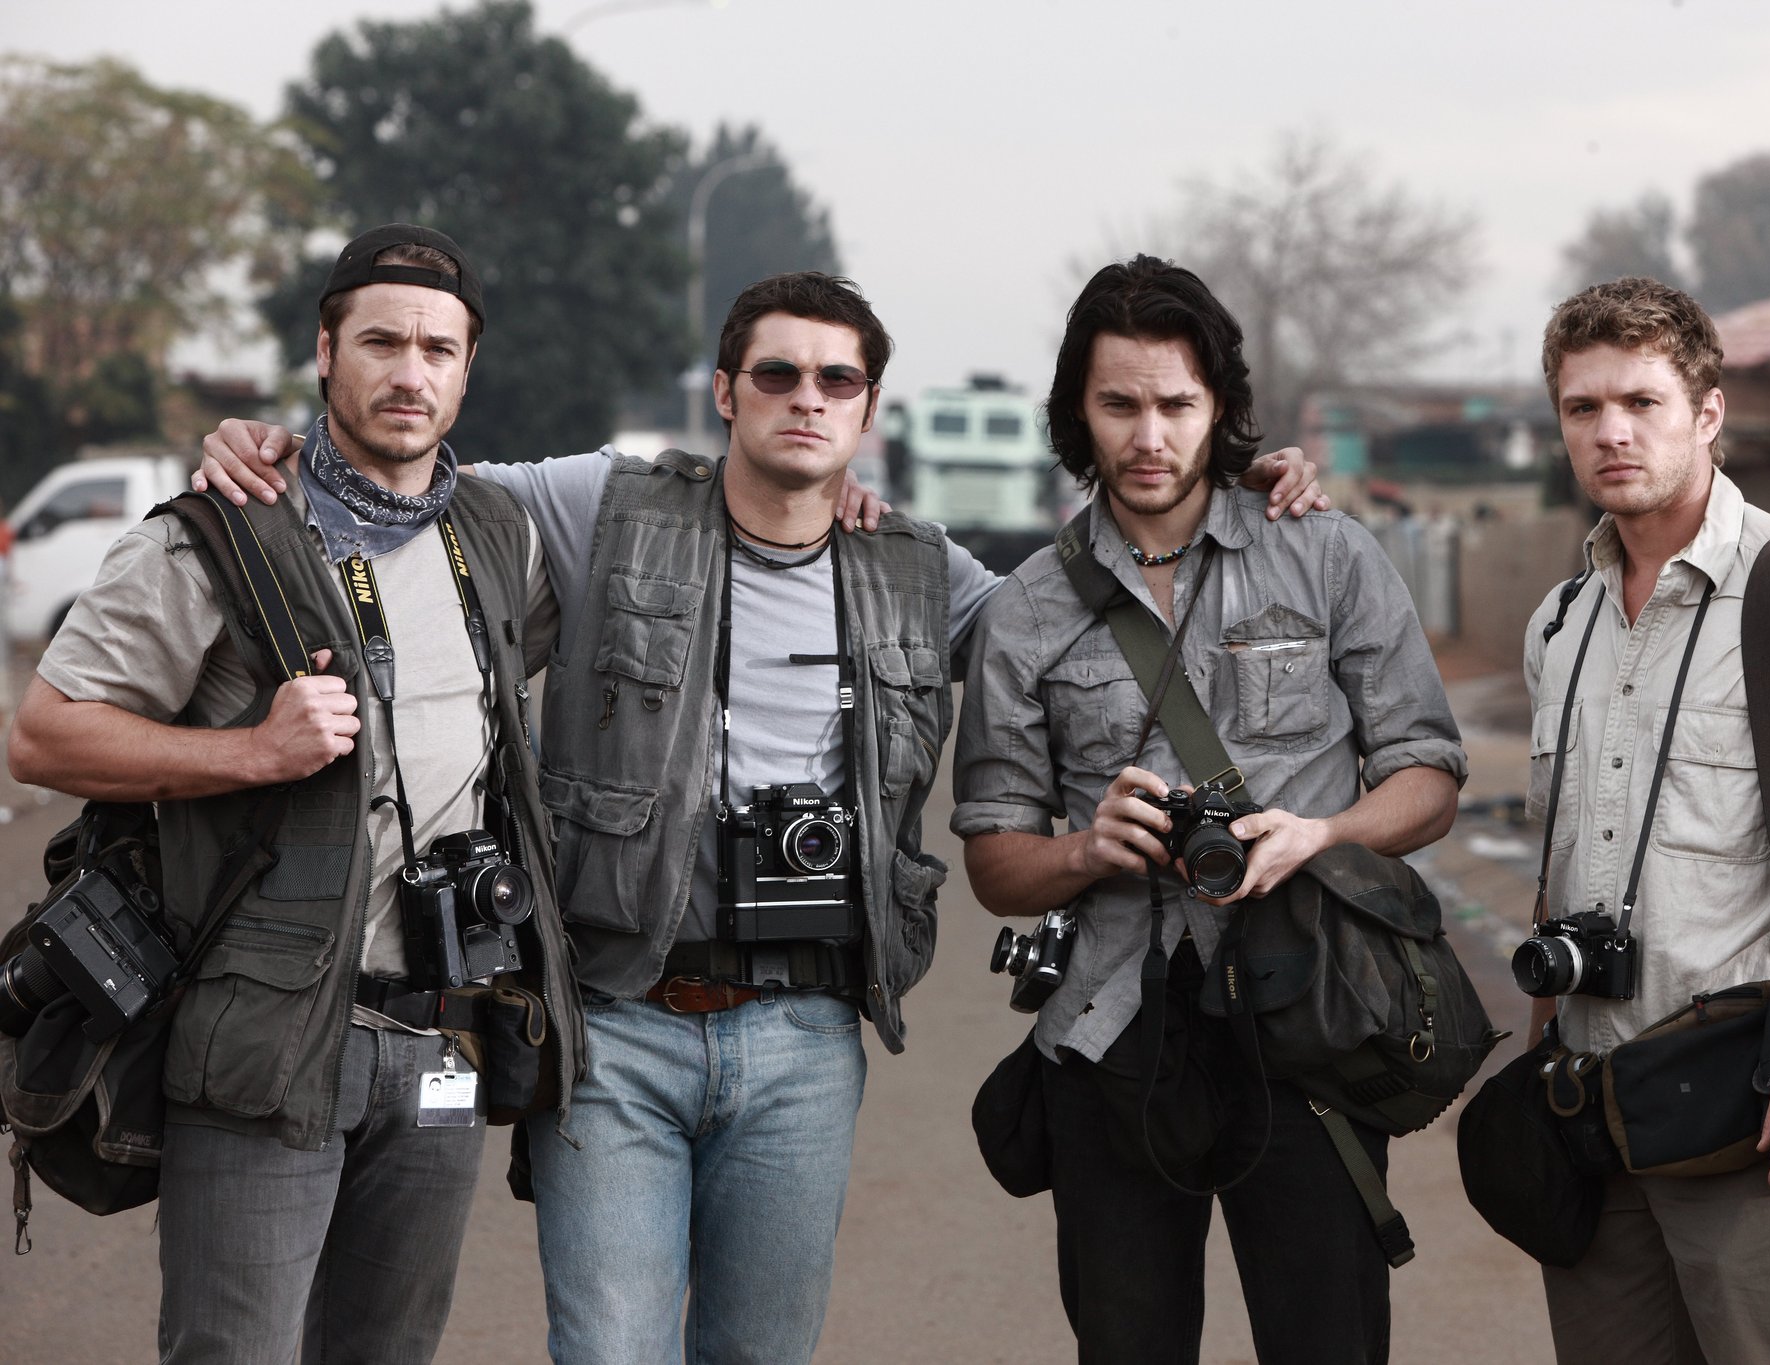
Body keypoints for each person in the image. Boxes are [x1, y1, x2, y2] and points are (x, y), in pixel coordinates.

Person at [197, 268, 1328, 1364]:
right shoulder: (604, 502)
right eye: (778, 374)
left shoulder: (923, 572)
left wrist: (1241, 490)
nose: (807, 399)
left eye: (837, 383)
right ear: (726, 391)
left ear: (869, 411)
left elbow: (1110, 623)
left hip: (804, 1036)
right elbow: (411, 479)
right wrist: (279, 443)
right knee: (609, 1348)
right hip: (614, 1020)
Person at [7, 224, 580, 1363]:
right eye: (379, 341)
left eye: (436, 348)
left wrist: (850, 507)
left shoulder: (501, 541)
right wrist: (249, 755)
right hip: (264, 1040)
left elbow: (722, 507)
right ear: (325, 352)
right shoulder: (213, 537)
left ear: (470, 369)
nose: (408, 372)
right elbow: (43, 735)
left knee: (389, 1352)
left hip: (443, 1043)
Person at [951, 255, 1465, 1364]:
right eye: (1118, 403)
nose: (1148, 436)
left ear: (1220, 408)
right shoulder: (1027, 608)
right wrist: (1088, 848)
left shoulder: (1322, 551)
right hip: (1111, 1030)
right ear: (1075, 413)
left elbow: (1427, 779)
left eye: (1177, 404)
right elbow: (994, 862)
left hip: (1310, 1026)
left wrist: (1320, 833)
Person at [1523, 276, 1770, 1363]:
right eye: (1582, 408)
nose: (1610, 432)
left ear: (1705, 414)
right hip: (1590, 1104)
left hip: (1750, 1102)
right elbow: (1558, 863)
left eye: (1640, 403)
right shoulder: (1559, 620)